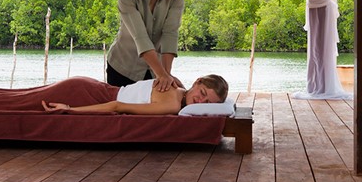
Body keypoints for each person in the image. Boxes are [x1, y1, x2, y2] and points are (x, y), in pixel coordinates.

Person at [106, 0, 184, 92]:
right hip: (122, 67)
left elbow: (170, 34)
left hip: (154, 71)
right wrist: (162, 75)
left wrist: (166, 75)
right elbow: (140, 37)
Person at [42, 74, 228, 116]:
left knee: (28, 97)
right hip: (91, 94)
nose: (200, 101)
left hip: (92, 87)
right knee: (28, 99)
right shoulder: (172, 102)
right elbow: (116, 106)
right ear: (197, 82)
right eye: (202, 93)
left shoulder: (175, 83)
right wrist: (70, 109)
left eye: (207, 103)